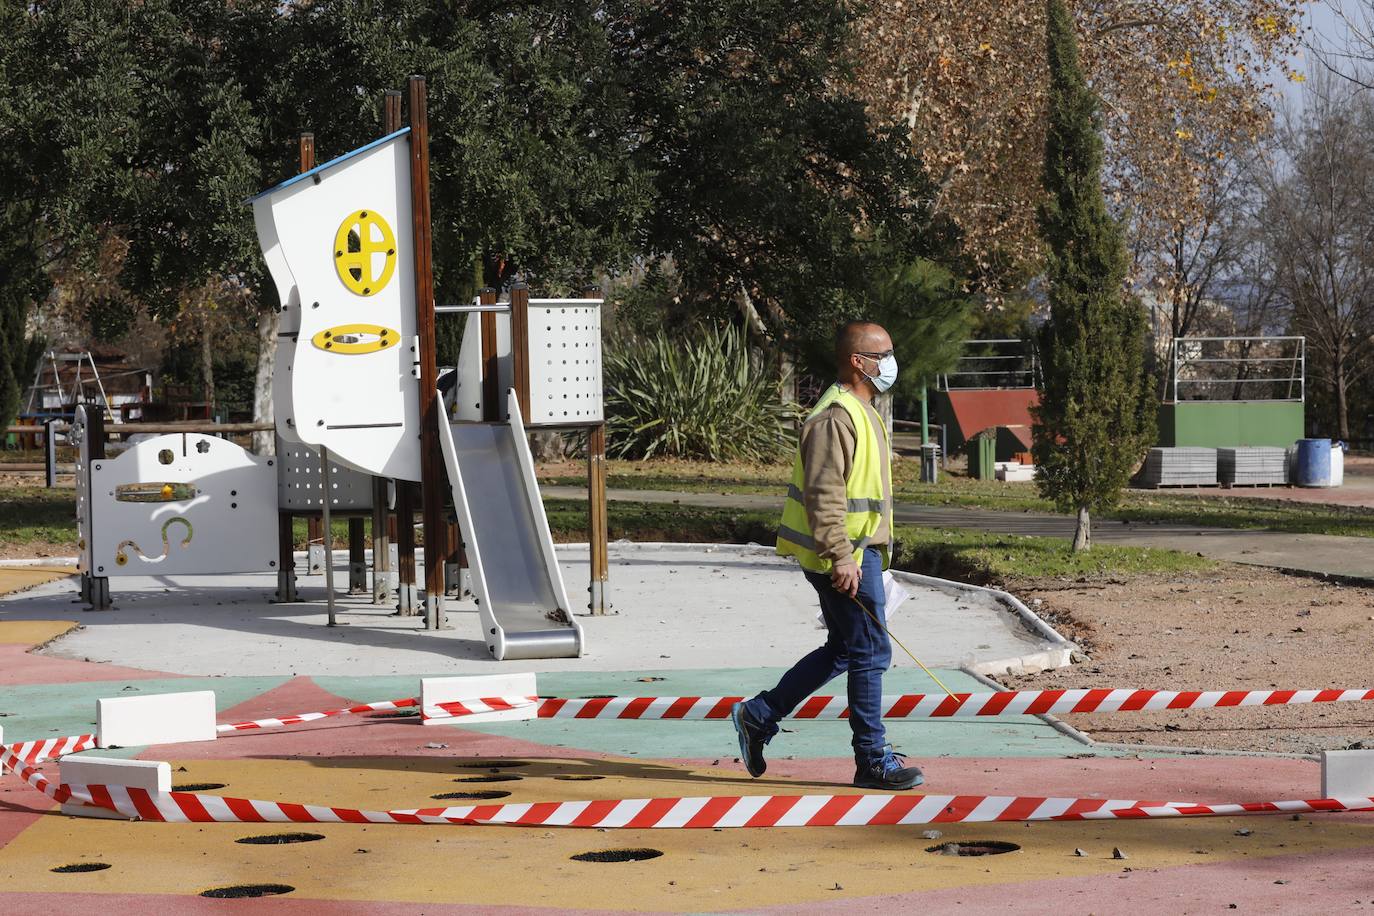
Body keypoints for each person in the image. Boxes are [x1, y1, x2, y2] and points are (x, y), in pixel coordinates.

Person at [731, 320, 923, 790]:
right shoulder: (834, 416)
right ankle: (872, 759)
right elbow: (823, 493)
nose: (890, 363)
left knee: (845, 649)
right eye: (883, 355)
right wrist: (841, 556)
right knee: (871, 652)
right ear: (858, 361)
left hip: (859, 551)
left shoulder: (863, 409)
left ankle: (759, 715)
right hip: (846, 556)